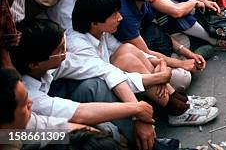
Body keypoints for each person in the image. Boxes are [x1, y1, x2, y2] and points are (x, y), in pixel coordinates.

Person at [69, 0, 219, 127]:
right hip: (95, 98)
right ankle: (177, 109)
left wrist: (159, 62)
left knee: (126, 49)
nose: (120, 18)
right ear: (94, 23)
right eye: (114, 15)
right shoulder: (79, 47)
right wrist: (157, 78)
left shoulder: (100, 33)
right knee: (128, 60)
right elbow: (111, 76)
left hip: (118, 81)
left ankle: (180, 101)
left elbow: (134, 51)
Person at [10, 18, 160, 147]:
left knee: (94, 86)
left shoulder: (49, 63)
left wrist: (138, 114)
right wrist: (135, 110)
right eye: (60, 49)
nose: (66, 50)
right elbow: (78, 115)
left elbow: (103, 70)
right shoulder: (29, 97)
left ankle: (147, 142)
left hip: (54, 124)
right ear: (35, 64)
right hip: (41, 137)